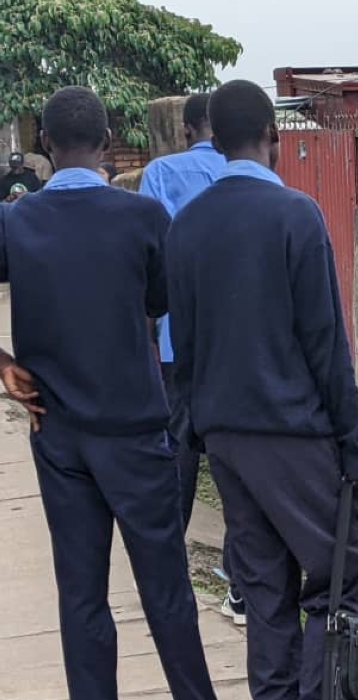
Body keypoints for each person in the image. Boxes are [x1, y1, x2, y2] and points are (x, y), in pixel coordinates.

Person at [0, 86, 218, 700]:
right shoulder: (142, 217)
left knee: (82, 596)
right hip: (136, 432)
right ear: (108, 143)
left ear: (44, 145)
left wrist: (0, 361)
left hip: (58, 434)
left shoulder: (14, 220)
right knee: (165, 592)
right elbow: (162, 302)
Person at [166, 79, 358, 700]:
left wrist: (197, 430)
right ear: (272, 136)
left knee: (264, 590)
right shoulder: (295, 214)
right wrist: (353, 438)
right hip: (294, 431)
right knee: (342, 571)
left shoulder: (187, 225)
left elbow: (187, 342)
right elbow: (324, 340)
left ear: (212, 137)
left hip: (226, 435)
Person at [138, 92, 241, 625]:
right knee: (236, 456)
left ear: (186, 131)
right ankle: (239, 574)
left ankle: (166, 564)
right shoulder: (247, 172)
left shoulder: (160, 173)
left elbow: (156, 252)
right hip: (241, 342)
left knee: (179, 449)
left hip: (181, 341)